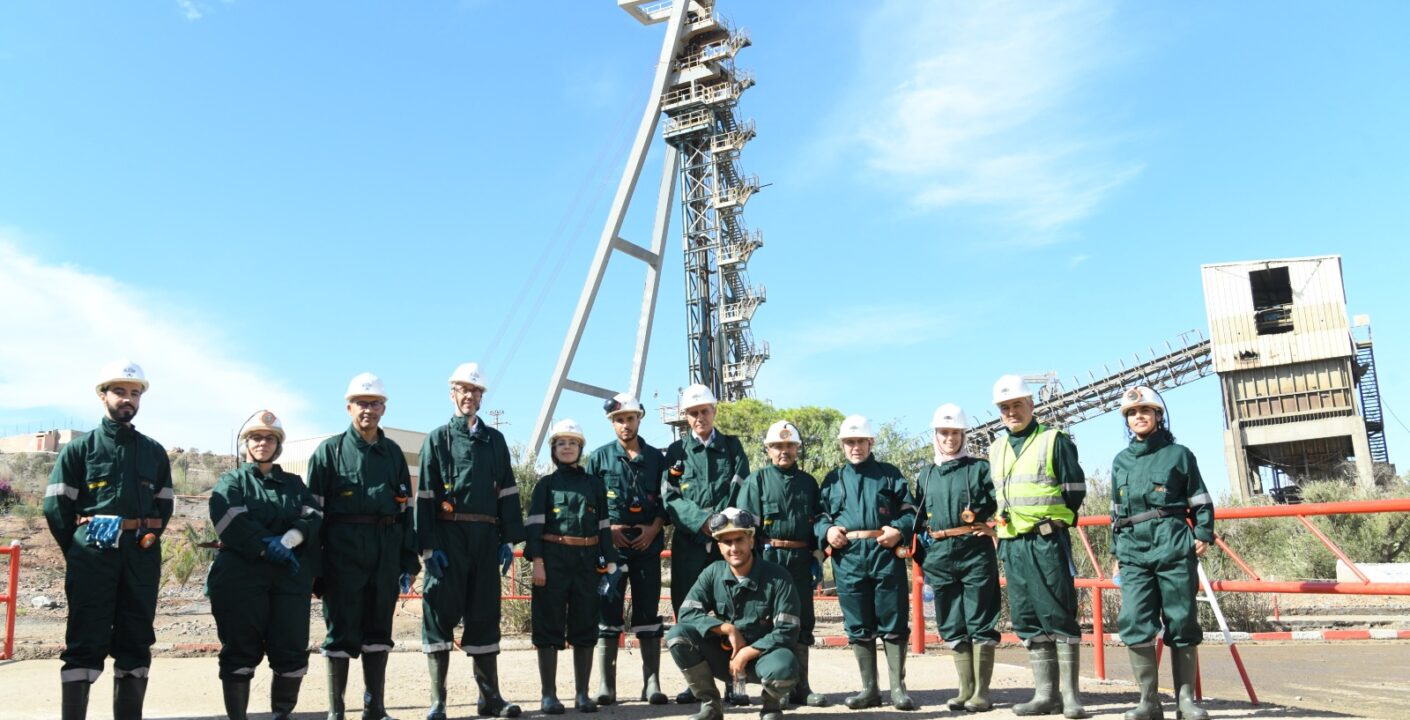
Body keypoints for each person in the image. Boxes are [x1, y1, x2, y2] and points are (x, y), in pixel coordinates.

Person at [44, 361, 174, 720]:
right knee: (85, 637)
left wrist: (144, 535)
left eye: (134, 393)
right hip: (93, 557)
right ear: (103, 395)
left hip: (140, 556)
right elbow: (56, 504)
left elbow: (164, 505)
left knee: (136, 639)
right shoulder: (80, 450)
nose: (127, 399)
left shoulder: (153, 451)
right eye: (120, 391)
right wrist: (80, 544)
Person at [306, 372, 419, 720]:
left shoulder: (393, 454)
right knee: (339, 632)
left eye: (374, 403)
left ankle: (375, 709)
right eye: (361, 403)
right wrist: (316, 567)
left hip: (385, 552)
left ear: (384, 408)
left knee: (378, 631)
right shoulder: (330, 451)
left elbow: (406, 509)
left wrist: (408, 561)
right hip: (342, 554)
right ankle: (336, 711)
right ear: (348, 407)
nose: (368, 410)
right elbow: (312, 514)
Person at [416, 363, 525, 719]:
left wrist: (508, 539)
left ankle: (489, 698)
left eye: (476, 391)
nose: (469, 396)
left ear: (482, 397)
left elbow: (508, 490)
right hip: (448, 538)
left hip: (485, 537)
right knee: (438, 614)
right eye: (463, 389)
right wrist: (428, 546)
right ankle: (438, 701)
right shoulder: (437, 439)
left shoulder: (495, 440)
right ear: (452, 394)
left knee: (484, 614)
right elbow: (426, 495)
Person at [208, 410, 323, 720]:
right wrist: (265, 545)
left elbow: (313, 516)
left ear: (278, 445)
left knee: (291, 648)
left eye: (269, 438)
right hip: (241, 577)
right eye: (256, 437)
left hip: (289, 578)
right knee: (240, 647)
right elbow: (228, 516)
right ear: (246, 443)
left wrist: (287, 541)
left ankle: (281, 714)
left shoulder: (295, 484)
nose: (262, 443)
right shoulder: (232, 481)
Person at [1110, 386, 1215, 720]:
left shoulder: (1179, 454)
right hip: (1132, 549)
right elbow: (1115, 511)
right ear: (1126, 421)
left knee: (1181, 618)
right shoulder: (1120, 461)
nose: (1138, 417)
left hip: (1171, 542)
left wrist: (1202, 532)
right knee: (1134, 620)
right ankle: (1148, 702)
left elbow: (1199, 497)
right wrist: (1116, 550)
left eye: (1145, 411)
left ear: (1158, 416)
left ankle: (1185, 701)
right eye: (1131, 413)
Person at [989, 374, 1088, 719]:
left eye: (1017, 404)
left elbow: (1074, 489)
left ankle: (1071, 697)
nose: (1011, 411)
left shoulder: (1053, 440)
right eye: (1005, 407)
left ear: (1031, 405)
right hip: (1012, 543)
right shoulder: (996, 448)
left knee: (1059, 612)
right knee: (1027, 616)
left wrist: (1057, 520)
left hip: (1046, 540)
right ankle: (1045, 695)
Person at [815, 415, 917, 711]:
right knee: (858, 622)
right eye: (849, 442)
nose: (855, 446)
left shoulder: (889, 475)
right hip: (848, 557)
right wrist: (827, 531)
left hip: (884, 553)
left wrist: (898, 529)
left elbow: (911, 510)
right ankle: (869, 690)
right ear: (842, 445)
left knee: (894, 619)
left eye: (860, 441)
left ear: (871, 442)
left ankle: (898, 689)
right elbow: (820, 516)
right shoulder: (832, 480)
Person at [661, 383, 750, 704]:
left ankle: (735, 683)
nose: (699, 417)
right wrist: (702, 522)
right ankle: (697, 683)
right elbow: (670, 496)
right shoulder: (676, 453)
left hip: (728, 545)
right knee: (689, 610)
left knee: (732, 611)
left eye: (704, 411)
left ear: (714, 411)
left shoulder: (732, 447)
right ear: (685, 416)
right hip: (689, 544)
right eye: (693, 413)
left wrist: (723, 526)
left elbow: (742, 490)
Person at [665, 508, 801, 720]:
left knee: (785, 668)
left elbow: (788, 630)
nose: (734, 547)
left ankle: (771, 706)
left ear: (751, 539)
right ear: (719, 546)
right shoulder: (712, 573)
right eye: (727, 542)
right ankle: (711, 705)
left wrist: (746, 653)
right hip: (723, 657)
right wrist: (727, 629)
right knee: (678, 635)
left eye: (739, 539)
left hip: (763, 658)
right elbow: (687, 612)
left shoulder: (779, 577)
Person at [525, 419, 620, 714]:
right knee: (548, 624)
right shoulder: (545, 485)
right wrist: (537, 562)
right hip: (552, 560)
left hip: (587, 562)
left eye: (573, 443)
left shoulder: (594, 484)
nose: (567, 448)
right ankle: (549, 696)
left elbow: (604, 527)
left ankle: (582, 694)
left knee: (585, 624)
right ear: (553, 450)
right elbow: (534, 528)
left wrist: (610, 562)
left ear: (581, 448)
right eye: (561, 443)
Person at [733, 420, 827, 707]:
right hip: (768, 559)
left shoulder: (809, 483)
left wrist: (817, 554)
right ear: (768, 449)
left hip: (799, 560)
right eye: (777, 446)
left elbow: (819, 521)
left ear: (797, 448)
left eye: (789, 446)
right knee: (770, 621)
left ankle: (802, 686)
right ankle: (777, 685)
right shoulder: (757, 481)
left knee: (802, 620)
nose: (783, 451)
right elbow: (744, 526)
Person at [912, 403, 1000, 712]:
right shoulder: (926, 475)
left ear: (964, 435)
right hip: (940, 554)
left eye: (956, 433)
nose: (950, 439)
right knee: (951, 620)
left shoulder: (980, 469)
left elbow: (1000, 502)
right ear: (935, 435)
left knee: (980, 617)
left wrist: (994, 530)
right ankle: (965, 689)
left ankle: (982, 693)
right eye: (944, 433)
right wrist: (923, 552)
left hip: (975, 551)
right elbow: (918, 517)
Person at [584, 393, 669, 706]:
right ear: (611, 422)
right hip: (613, 549)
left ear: (639, 419)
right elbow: (590, 504)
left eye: (630, 418)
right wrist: (610, 532)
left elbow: (667, 501)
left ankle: (653, 683)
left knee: (648, 612)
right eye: (619, 420)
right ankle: (607, 685)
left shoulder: (657, 459)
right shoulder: (599, 458)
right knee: (608, 613)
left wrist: (653, 529)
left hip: (647, 545)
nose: (625, 425)